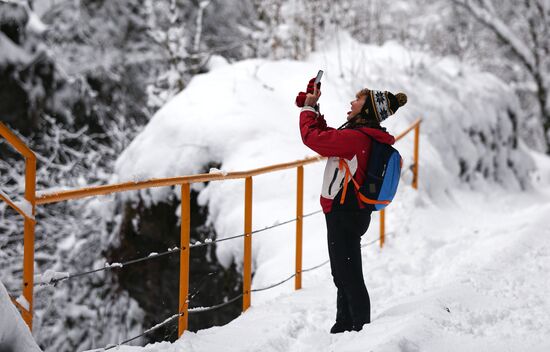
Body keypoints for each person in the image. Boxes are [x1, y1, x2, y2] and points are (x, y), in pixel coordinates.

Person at [296, 78, 407, 333]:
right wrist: (313, 107)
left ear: (366, 110)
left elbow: (313, 138)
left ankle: (360, 329)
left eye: (358, 100)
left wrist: (307, 111)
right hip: (351, 210)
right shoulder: (360, 137)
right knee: (343, 271)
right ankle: (344, 324)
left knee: (348, 274)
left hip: (344, 211)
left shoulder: (356, 139)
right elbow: (328, 136)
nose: (351, 102)